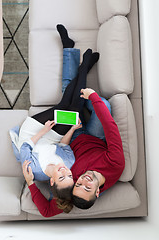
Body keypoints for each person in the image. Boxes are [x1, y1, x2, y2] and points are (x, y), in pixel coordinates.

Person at [22, 25, 125, 217]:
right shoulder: (116, 166)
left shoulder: (71, 187)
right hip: (96, 136)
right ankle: (85, 76)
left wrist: (30, 183)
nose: (83, 181)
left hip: (72, 135)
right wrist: (93, 96)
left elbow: (46, 211)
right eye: (87, 187)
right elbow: (111, 128)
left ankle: (72, 52)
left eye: (78, 184)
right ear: (97, 192)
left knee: (69, 96)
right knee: (103, 105)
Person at [10, 25, 100, 214]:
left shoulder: (34, 171)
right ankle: (83, 66)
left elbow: (25, 146)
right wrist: (72, 129)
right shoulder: (68, 164)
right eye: (69, 175)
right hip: (54, 136)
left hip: (34, 132)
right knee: (72, 108)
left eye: (61, 176)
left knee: (67, 106)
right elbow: (64, 146)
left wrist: (43, 130)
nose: (64, 171)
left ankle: (84, 66)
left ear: (52, 181)